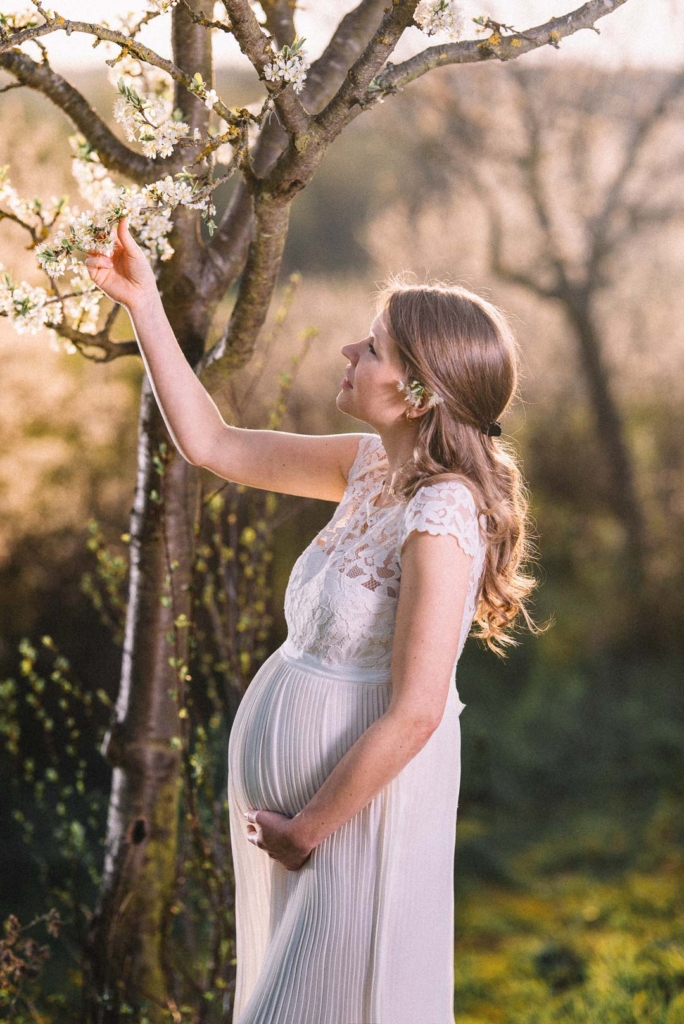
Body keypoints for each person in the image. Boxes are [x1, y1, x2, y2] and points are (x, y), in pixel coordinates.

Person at [85, 217, 542, 1024]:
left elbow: (417, 710)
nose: (348, 354)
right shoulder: (369, 465)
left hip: (352, 822)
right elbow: (212, 443)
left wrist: (310, 828)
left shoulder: (442, 514)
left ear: (416, 391)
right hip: (299, 831)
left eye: (371, 349)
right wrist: (142, 303)